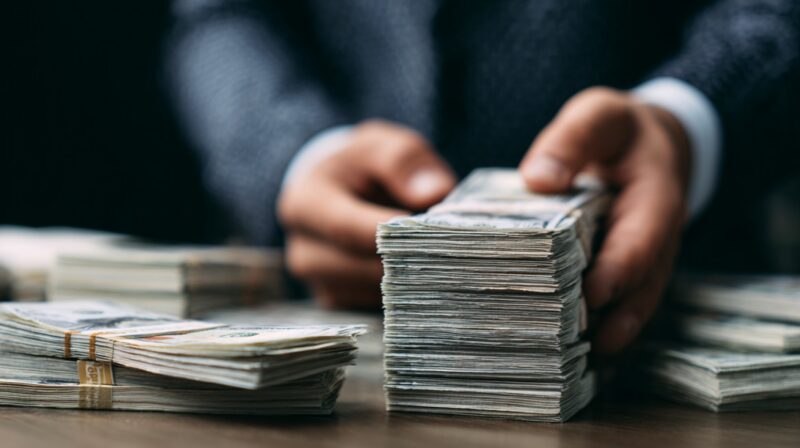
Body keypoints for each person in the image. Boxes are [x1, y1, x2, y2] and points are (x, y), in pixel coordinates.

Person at [165, 1, 800, 354]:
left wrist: (687, 118)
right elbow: (216, 17)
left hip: (659, 326)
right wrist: (294, 157)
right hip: (335, 340)